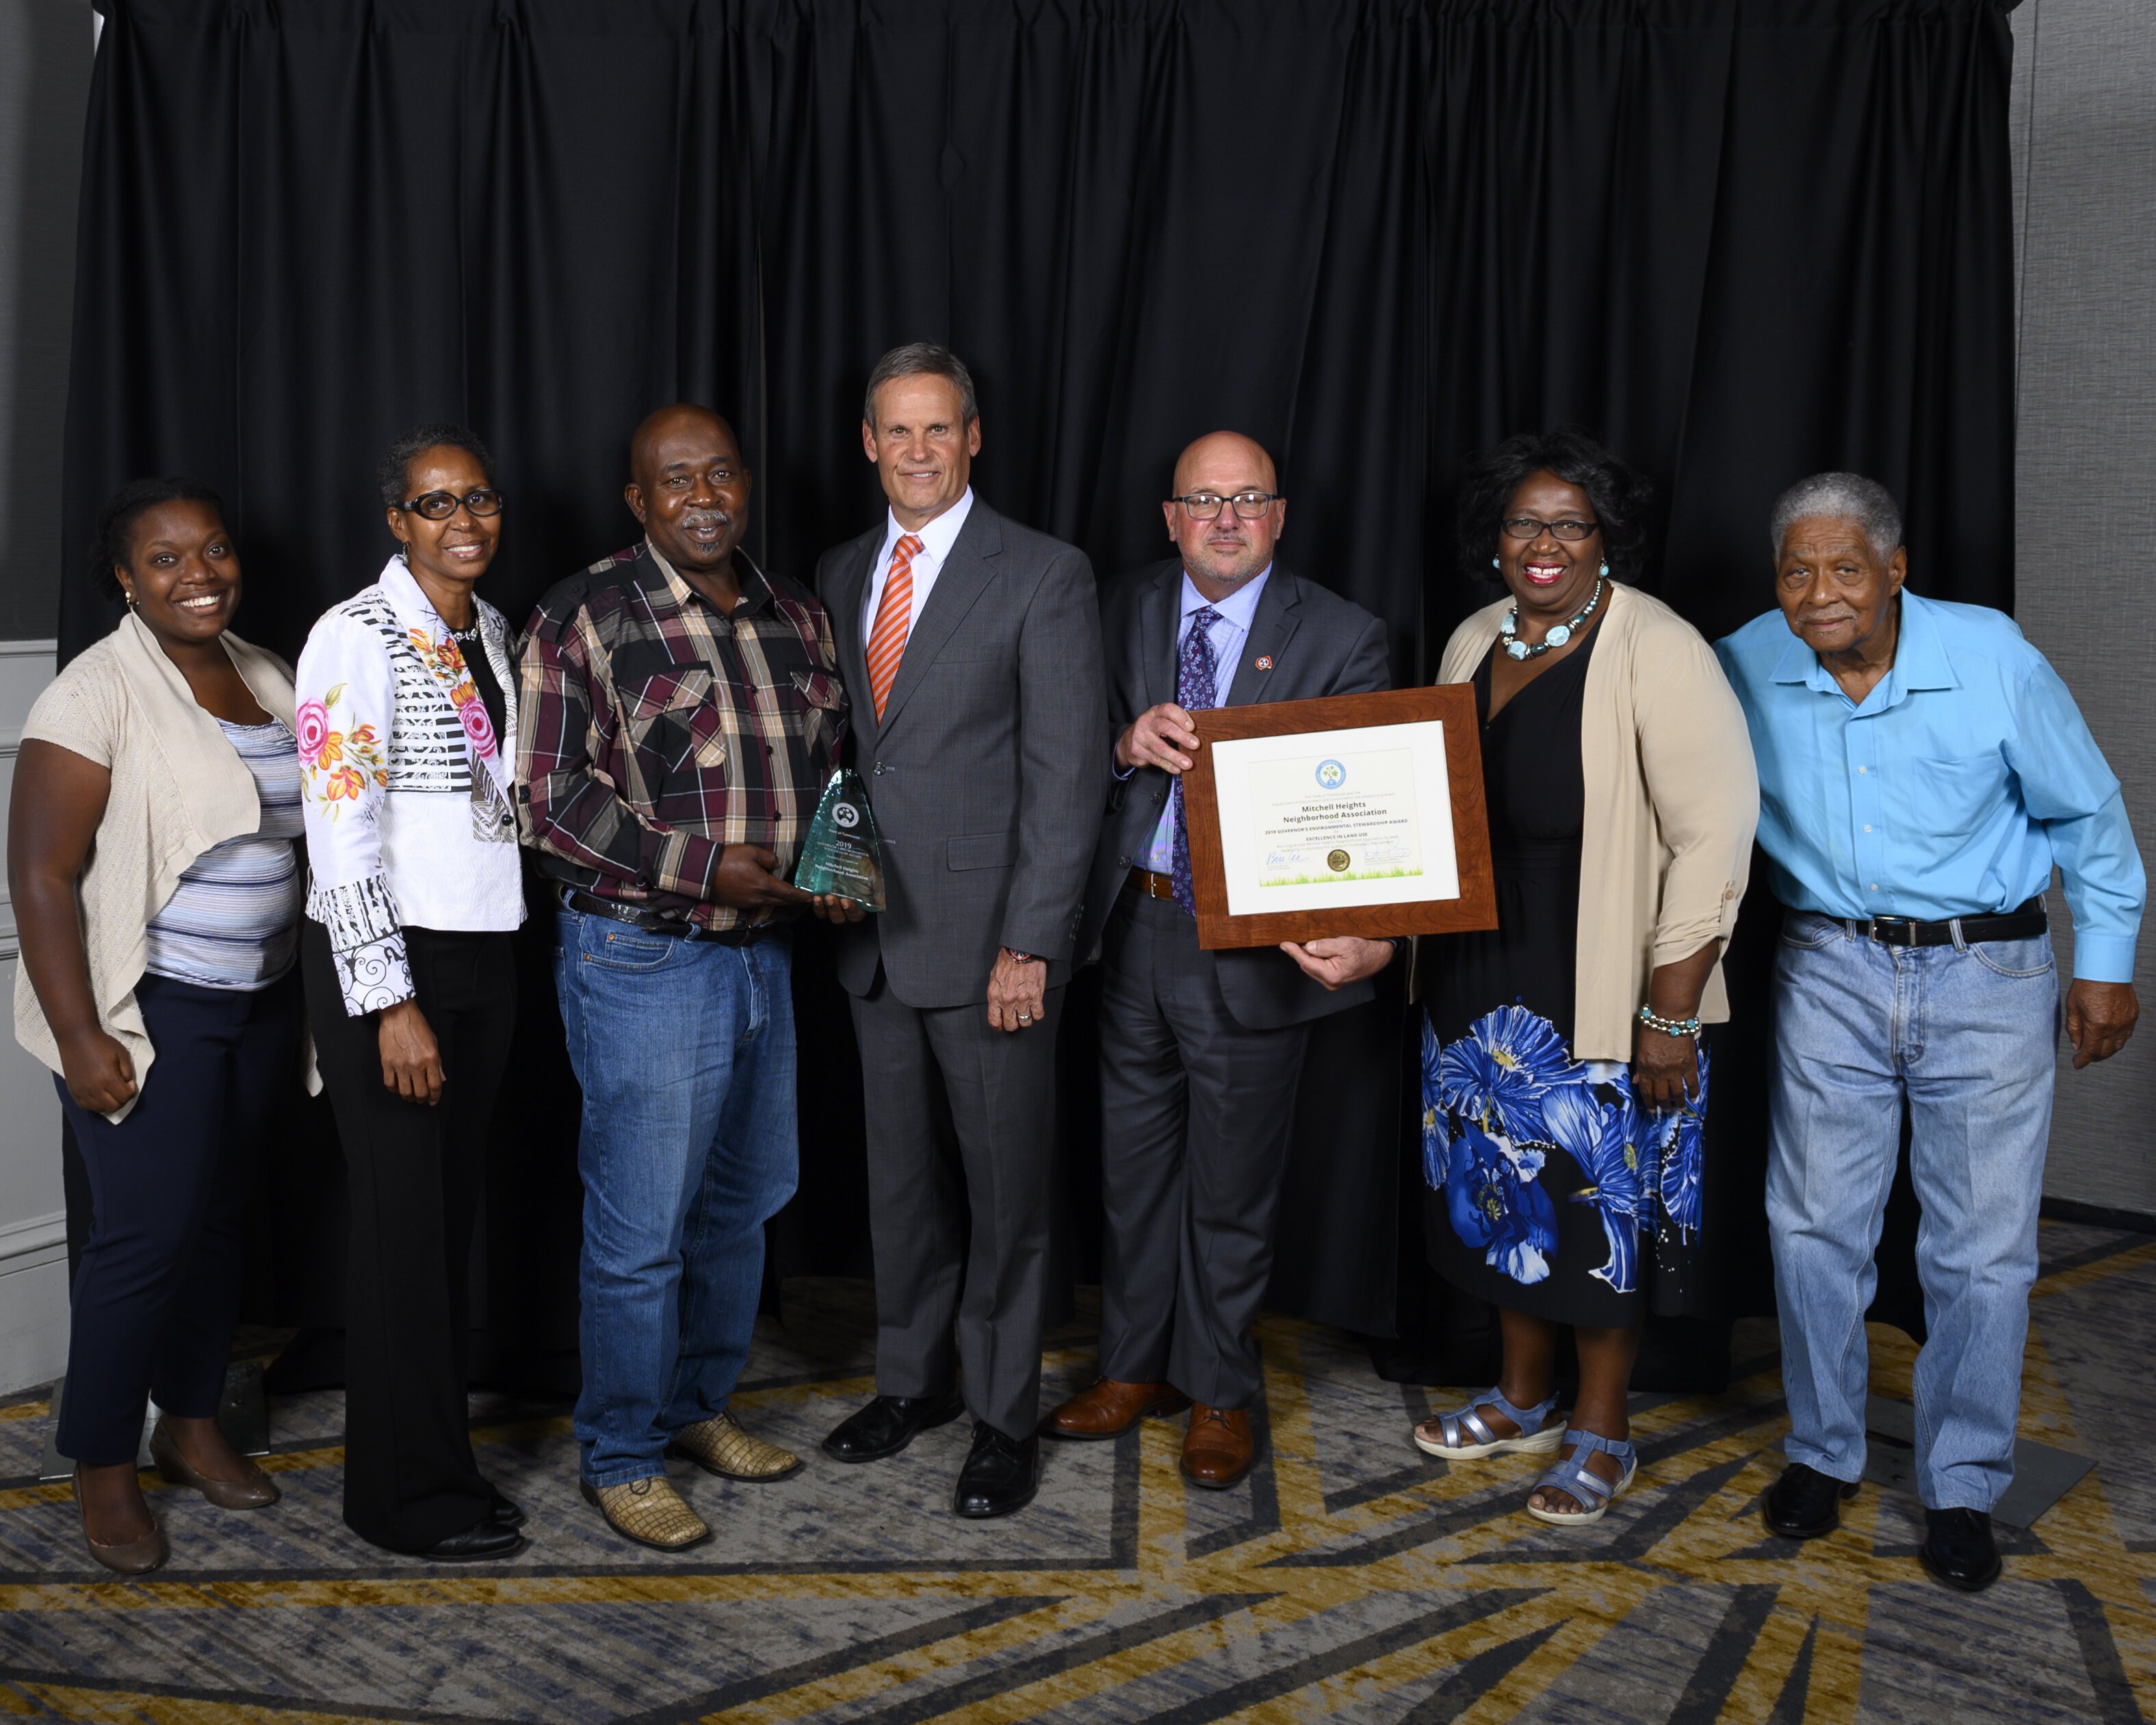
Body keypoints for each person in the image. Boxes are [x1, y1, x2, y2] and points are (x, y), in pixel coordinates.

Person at [1717, 472, 2142, 1593]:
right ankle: (1823, 1450)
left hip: (1987, 969)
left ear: (1895, 569)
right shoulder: (1747, 661)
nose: (1819, 594)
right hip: (1829, 966)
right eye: (1797, 570)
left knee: (1979, 1248)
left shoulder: (1991, 656)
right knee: (1811, 1226)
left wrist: (2103, 967)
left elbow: (2087, 815)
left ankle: (1962, 1482)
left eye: (1845, 568)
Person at [518, 404, 853, 1553]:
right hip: (642, 956)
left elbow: (841, 769)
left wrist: (838, 870)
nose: (702, 496)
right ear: (639, 500)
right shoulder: (584, 615)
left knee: (744, 1205)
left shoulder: (797, 611)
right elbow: (550, 800)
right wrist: (707, 865)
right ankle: (620, 1453)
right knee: (640, 1228)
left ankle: (698, 1407)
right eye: (676, 480)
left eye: (720, 474)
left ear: (744, 484)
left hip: (767, 955)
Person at [1410, 430, 1758, 1525]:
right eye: (1526, 522)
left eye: (1570, 524)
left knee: (1602, 1210)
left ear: (1606, 535)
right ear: (1497, 537)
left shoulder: (1659, 645)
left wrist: (1670, 1010)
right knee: (1507, 1196)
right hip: (1476, 971)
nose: (1545, 543)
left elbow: (1716, 837)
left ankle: (1603, 1428)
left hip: (1603, 973)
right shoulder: (1473, 637)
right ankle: (1523, 1396)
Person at [1045, 432, 1397, 1488]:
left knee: (1231, 1189)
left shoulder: (1341, 634)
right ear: (1171, 515)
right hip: (1136, 927)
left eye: (1248, 499)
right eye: (1205, 499)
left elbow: (1375, 806)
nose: (1227, 519)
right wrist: (1120, 743)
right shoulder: (1119, 606)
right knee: (1132, 1171)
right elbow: (1063, 740)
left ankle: (1217, 1389)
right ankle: (1132, 1366)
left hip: (1248, 945)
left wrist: (1377, 931)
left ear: (1280, 515)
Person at [816, 343, 1106, 1518]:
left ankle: (1000, 1414)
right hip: (875, 940)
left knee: (1006, 1195)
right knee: (900, 1190)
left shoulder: (1043, 572)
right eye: (898, 431)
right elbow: (847, 753)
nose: (919, 451)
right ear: (869, 443)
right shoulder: (841, 571)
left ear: (973, 437)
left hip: (993, 948)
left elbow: (1069, 774)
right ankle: (911, 1380)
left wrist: (1031, 943)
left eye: (940, 430)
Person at [9, 480, 298, 1572]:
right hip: (145, 1003)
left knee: (220, 1220)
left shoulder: (266, 671)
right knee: (143, 1238)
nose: (200, 574)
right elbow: (40, 874)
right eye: (167, 560)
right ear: (126, 579)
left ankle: (189, 1420)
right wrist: (85, 1037)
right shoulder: (95, 691)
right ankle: (100, 1459)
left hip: (260, 1000)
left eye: (214, 551)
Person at [296, 425, 526, 1562]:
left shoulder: (490, 628)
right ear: (399, 522)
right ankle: (402, 1501)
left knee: (443, 1230)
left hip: (485, 951)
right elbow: (339, 830)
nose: (463, 521)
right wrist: (389, 998)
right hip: (393, 966)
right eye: (436, 505)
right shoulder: (355, 635)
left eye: (477, 498)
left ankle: (444, 1469)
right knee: (399, 1233)